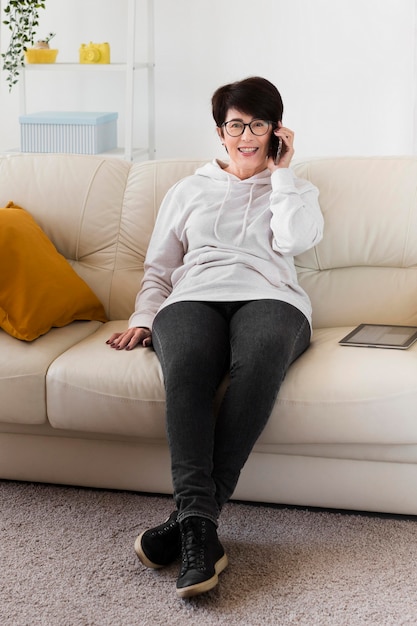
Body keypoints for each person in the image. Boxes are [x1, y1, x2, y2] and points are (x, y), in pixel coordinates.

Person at [107, 76, 324, 599]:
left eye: (257, 124)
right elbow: (160, 269)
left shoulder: (296, 188)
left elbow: (295, 239)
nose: (245, 135)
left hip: (272, 297)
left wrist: (282, 175)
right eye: (235, 125)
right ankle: (201, 529)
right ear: (219, 131)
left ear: (277, 129)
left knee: (261, 358)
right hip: (193, 296)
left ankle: (190, 523)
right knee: (185, 371)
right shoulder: (189, 189)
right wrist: (144, 316)